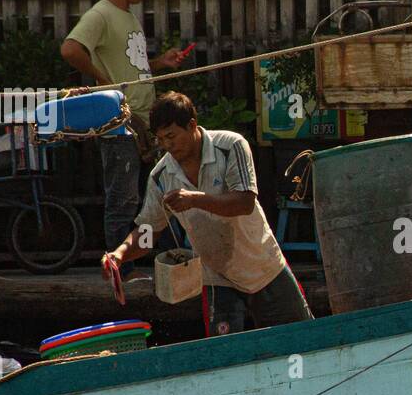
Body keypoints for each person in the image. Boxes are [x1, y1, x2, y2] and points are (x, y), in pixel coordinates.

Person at [102, 92, 312, 336]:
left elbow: (245, 202)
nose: (167, 145)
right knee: (224, 357)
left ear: (191, 125)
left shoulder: (231, 145)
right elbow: (149, 232)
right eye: (160, 139)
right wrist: (120, 254)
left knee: (300, 340)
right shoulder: (161, 177)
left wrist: (195, 200)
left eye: (171, 136)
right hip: (217, 279)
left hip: (264, 266)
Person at [60, 0, 188, 278]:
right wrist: (103, 82)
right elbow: (70, 49)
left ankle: (154, 262)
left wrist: (160, 62)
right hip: (119, 124)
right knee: (124, 201)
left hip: (145, 123)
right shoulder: (100, 14)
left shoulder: (127, 16)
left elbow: (132, 67)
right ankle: (119, 271)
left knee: (154, 198)